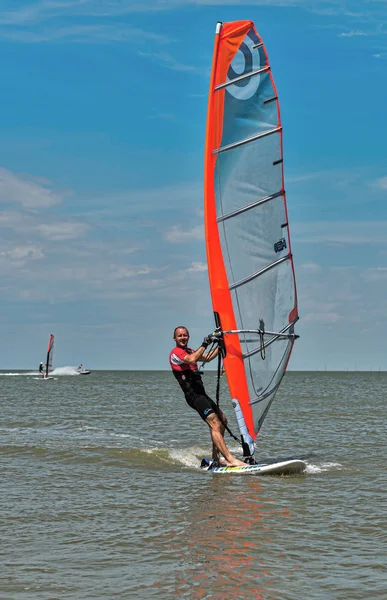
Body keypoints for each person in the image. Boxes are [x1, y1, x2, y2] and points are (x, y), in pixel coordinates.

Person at [169, 326, 245, 467]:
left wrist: (221, 344)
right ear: (175, 338)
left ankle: (216, 458)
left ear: (188, 337)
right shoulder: (176, 353)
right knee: (215, 423)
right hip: (193, 395)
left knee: (222, 420)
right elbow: (192, 360)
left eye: (185, 335)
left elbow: (207, 357)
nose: (183, 338)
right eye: (180, 336)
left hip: (201, 393)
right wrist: (205, 343)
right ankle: (230, 459)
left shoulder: (191, 351)